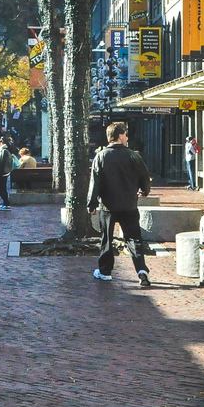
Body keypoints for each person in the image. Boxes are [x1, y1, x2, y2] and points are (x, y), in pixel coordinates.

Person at [87, 120, 153, 287]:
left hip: (108, 206)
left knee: (107, 239)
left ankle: (105, 272)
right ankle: (141, 271)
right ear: (120, 136)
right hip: (129, 205)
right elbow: (144, 176)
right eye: (125, 134)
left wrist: (92, 203)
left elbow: (95, 182)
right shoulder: (134, 155)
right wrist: (144, 190)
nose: (127, 137)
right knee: (134, 239)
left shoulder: (101, 156)